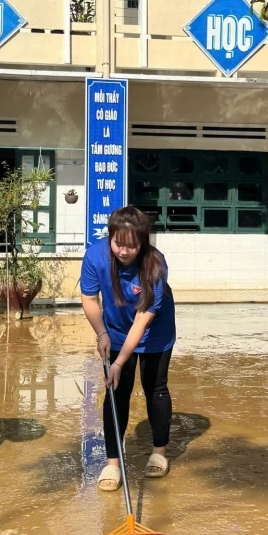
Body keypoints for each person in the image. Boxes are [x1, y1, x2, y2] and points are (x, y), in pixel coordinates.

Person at [80, 205, 176, 490]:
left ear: (142, 243)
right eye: (118, 244)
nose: (124, 252)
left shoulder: (155, 265)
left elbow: (142, 321)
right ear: (110, 237)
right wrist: (101, 333)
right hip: (114, 330)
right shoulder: (95, 256)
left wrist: (120, 362)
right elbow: (89, 299)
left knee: (154, 387)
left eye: (131, 246)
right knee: (115, 391)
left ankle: (159, 452)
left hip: (153, 332)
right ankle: (112, 463)